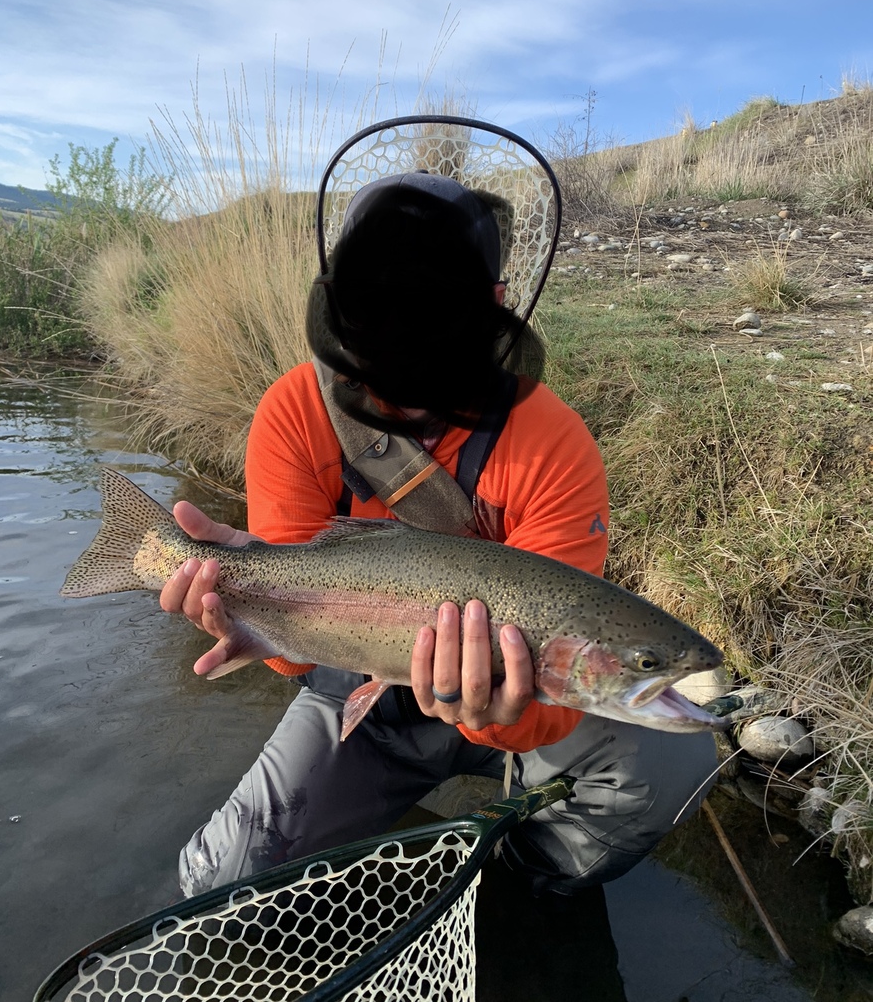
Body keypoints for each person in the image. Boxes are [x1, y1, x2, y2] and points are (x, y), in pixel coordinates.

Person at [158, 134, 718, 918]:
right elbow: (295, 657)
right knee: (227, 889)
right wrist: (243, 614)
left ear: (486, 310)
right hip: (357, 685)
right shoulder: (293, 411)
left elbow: (559, 696)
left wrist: (495, 712)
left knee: (671, 763)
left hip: (518, 705)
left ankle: (514, 879)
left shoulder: (550, 440)